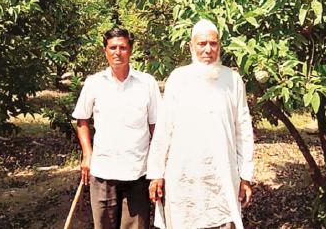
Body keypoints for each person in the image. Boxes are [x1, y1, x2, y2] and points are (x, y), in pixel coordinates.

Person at [147, 19, 254, 229]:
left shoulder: (232, 80)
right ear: (191, 46)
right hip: (184, 177)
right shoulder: (178, 79)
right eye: (202, 44)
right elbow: (163, 130)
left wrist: (246, 177)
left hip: (222, 175)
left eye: (213, 44)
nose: (208, 49)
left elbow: (243, 130)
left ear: (219, 46)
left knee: (223, 220)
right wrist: (156, 174)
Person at [72, 27, 161, 229]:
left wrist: (157, 168)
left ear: (130, 50)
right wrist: (87, 154)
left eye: (122, 47)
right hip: (103, 170)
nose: (117, 52)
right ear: (105, 51)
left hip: (138, 172)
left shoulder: (147, 83)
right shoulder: (94, 83)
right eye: (112, 48)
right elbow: (82, 120)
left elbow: (157, 126)